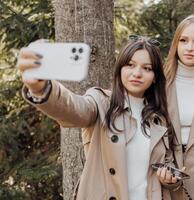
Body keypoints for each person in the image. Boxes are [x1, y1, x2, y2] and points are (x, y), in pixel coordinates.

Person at [17, 36, 177, 200]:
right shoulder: (101, 103)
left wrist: (170, 179)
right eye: (130, 65)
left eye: (147, 68)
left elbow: (167, 165)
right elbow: (74, 108)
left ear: (155, 76)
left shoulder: (159, 119)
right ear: (120, 68)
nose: (137, 73)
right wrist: (42, 89)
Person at [157, 14, 194, 199]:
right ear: (176, 43)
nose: (190, 48)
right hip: (168, 173)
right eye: (184, 40)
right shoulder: (160, 84)